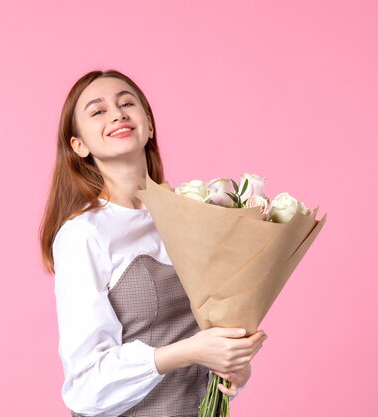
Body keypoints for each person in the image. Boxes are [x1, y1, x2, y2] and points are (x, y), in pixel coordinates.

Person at [39, 69, 268, 417]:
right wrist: (191, 351)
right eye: (98, 111)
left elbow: (205, 336)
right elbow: (85, 385)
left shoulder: (191, 215)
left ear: (148, 124)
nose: (117, 113)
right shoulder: (83, 234)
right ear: (78, 145)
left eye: (127, 103)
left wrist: (233, 369)